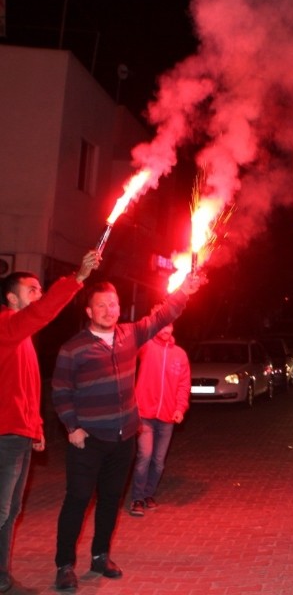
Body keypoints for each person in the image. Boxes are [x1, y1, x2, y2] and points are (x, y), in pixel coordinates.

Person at [51, 272, 201, 590]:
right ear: (89, 312)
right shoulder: (73, 348)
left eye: (114, 304)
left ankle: (100, 556)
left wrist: (184, 291)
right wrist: (72, 426)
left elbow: (162, 315)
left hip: (123, 439)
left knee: (109, 500)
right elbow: (60, 390)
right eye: (101, 305)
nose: (109, 309)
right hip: (87, 441)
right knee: (77, 500)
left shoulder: (129, 335)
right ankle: (64, 565)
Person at [0, 251, 99, 593]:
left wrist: (36, 427)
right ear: (11, 298)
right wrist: (78, 278)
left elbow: (25, 387)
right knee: (1, 511)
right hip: (3, 435)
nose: (39, 296)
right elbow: (42, 312)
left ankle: (1, 579)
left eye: (42, 289)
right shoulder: (5, 325)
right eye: (32, 290)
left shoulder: (21, 337)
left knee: (11, 512)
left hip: (18, 433)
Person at [127, 320, 190, 518]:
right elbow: (133, 342)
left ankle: (148, 494)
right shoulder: (147, 346)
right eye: (162, 326)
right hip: (144, 413)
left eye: (169, 326)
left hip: (167, 417)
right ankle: (136, 498)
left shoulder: (179, 354)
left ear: (173, 328)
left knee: (159, 461)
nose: (165, 330)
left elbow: (183, 385)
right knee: (144, 456)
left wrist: (180, 408)